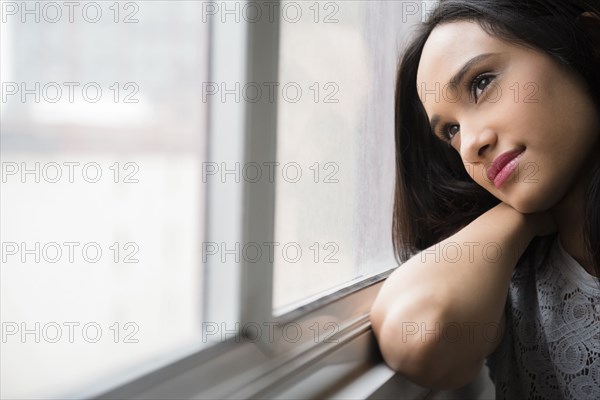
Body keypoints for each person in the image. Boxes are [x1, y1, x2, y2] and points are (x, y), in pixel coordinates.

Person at [370, 0, 600, 398]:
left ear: (589, 42)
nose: (471, 145)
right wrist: (520, 217)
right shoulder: (510, 280)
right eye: (451, 131)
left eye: (481, 83)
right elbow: (420, 334)